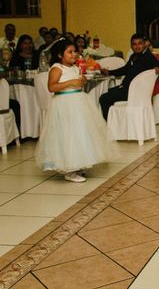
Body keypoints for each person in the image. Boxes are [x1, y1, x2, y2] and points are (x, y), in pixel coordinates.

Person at [34, 39, 118, 183]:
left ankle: (79, 162)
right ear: (60, 54)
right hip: (64, 104)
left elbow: (77, 82)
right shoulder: (57, 68)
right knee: (68, 134)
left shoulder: (74, 67)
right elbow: (52, 87)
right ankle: (69, 169)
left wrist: (81, 80)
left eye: (75, 51)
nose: (74, 55)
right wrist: (71, 82)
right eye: (70, 52)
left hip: (78, 102)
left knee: (80, 132)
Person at [98, 33, 159, 119]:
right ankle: (117, 122)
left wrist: (158, 67)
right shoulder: (134, 56)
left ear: (144, 44)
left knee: (103, 98)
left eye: (140, 43)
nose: (137, 46)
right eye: (134, 44)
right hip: (128, 89)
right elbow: (125, 70)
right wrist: (109, 72)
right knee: (107, 91)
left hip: (134, 92)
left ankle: (109, 125)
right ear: (131, 46)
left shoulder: (148, 57)